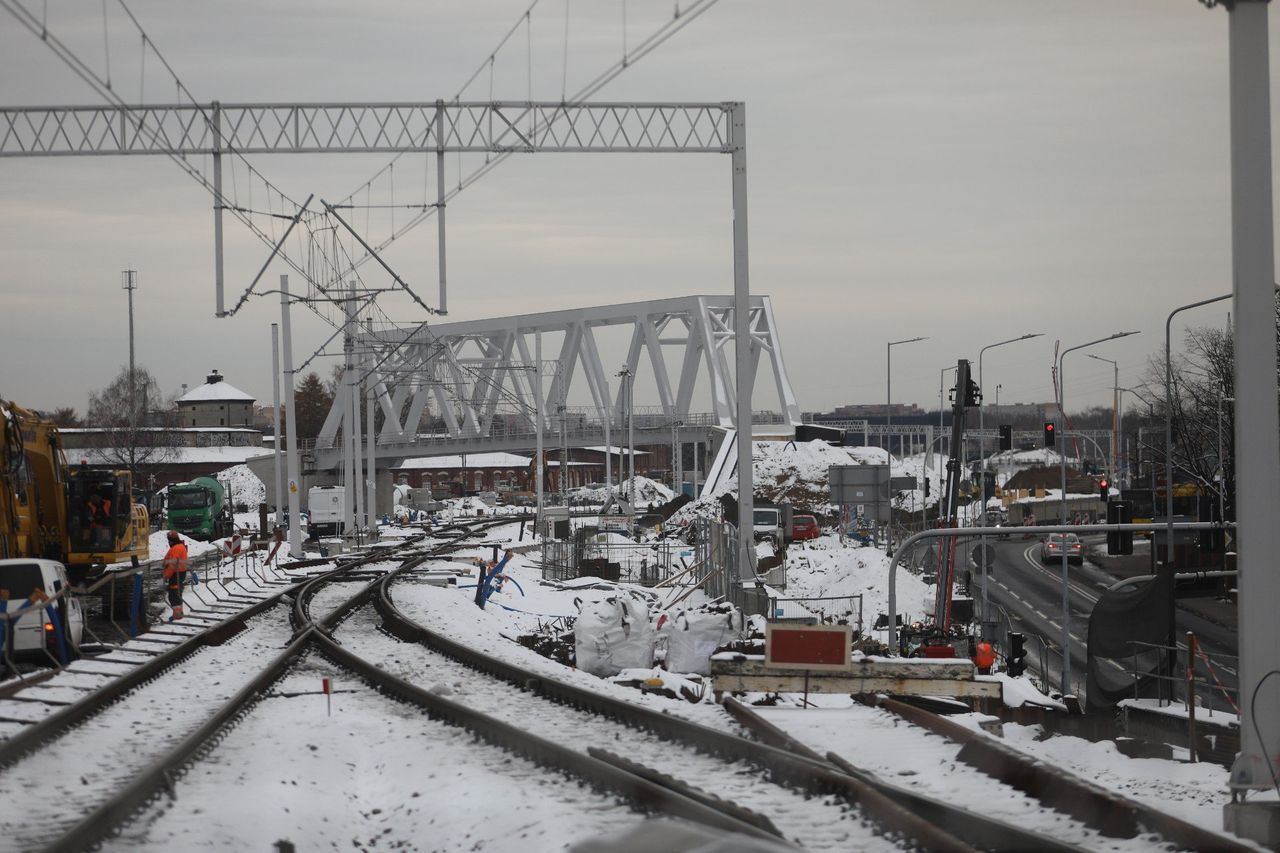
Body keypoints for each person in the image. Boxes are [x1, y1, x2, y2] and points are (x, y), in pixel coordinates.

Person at [162, 530, 189, 621]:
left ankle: (178, 615)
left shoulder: (176, 548)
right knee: (177, 593)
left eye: (169, 540)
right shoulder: (179, 546)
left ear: (171, 540)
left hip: (176, 573)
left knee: (174, 595)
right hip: (180, 573)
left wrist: (166, 575)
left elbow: (172, 564)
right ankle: (178, 613)